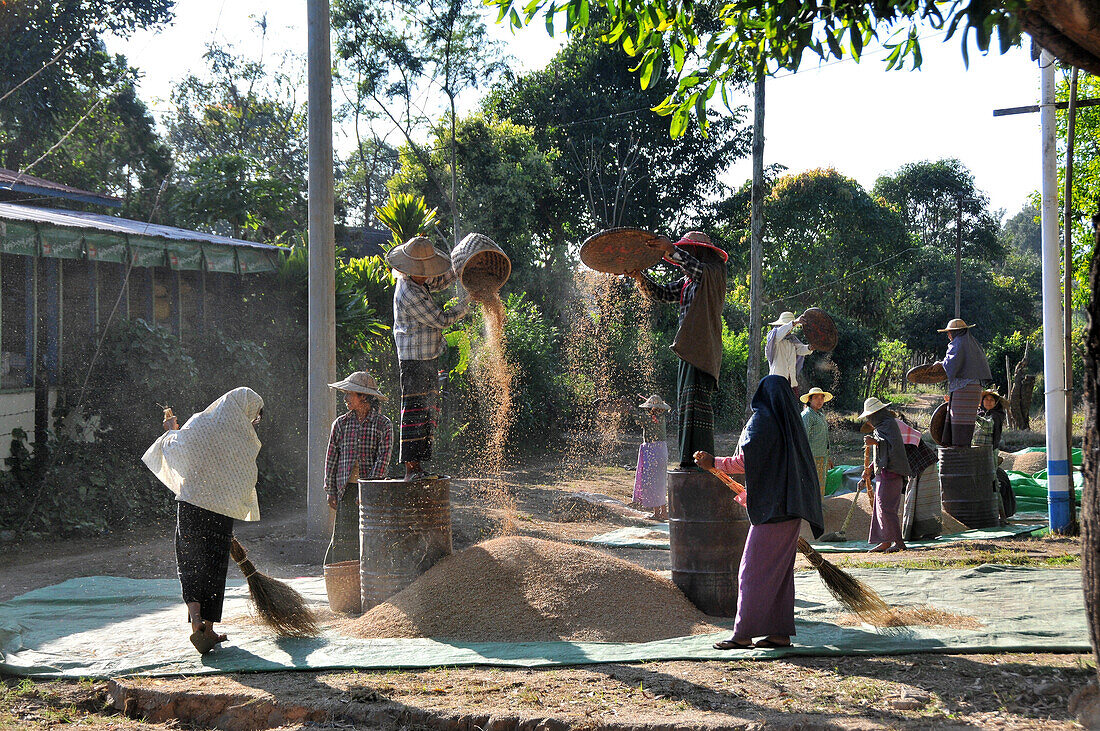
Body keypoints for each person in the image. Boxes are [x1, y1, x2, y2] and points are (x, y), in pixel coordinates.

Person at [695, 375, 824, 650]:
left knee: (750, 571)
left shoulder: (763, 419)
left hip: (772, 512)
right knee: (779, 573)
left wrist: (711, 462)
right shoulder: (791, 424)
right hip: (791, 509)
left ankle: (743, 634)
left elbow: (745, 461)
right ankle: (778, 633)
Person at [142, 387, 265, 655]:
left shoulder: (199, 421)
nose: (254, 422)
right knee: (213, 565)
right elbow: (244, 476)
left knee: (189, 560)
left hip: (189, 505)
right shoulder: (244, 438)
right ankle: (208, 629)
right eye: (255, 416)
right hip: (219, 511)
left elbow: (176, 448)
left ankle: (196, 622)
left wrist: (170, 430)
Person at [628, 231, 728, 470]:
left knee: (698, 403)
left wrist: (671, 249)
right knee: (686, 406)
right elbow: (661, 293)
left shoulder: (714, 273)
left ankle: (704, 462)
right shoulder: (686, 283)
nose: (680, 265)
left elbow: (696, 268)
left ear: (699, 253)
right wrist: (640, 277)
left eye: (689, 253)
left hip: (703, 349)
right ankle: (688, 460)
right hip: (687, 349)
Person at [387, 236, 470, 480]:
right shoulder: (408, 292)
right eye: (423, 271)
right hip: (413, 361)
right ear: (409, 269)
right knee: (414, 413)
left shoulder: (418, 280)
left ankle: (419, 467)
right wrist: (465, 304)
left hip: (427, 358)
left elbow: (440, 279)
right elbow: (441, 320)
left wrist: (461, 268)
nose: (427, 275)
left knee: (427, 412)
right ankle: (410, 469)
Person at [324, 371, 393, 565]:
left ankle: (368, 583)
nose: (345, 398)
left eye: (349, 394)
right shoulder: (340, 424)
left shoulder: (383, 425)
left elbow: (382, 461)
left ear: (363, 397)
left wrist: (367, 490)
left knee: (370, 541)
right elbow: (331, 460)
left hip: (372, 491)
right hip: (345, 491)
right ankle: (343, 585)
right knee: (343, 542)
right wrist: (330, 490)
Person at [859, 397, 912, 553]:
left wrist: (874, 442)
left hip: (892, 471)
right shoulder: (881, 426)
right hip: (883, 472)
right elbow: (882, 453)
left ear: (877, 413)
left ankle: (899, 542)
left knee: (886, 507)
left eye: (870, 416)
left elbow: (892, 447)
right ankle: (885, 541)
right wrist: (869, 469)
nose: (869, 419)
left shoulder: (889, 425)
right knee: (879, 507)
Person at [936, 318, 992, 446]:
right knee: (968, 419)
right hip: (975, 388)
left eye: (949, 332)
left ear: (955, 332)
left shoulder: (957, 343)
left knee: (958, 419)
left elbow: (951, 363)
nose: (948, 335)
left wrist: (939, 364)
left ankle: (958, 449)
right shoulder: (973, 343)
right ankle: (964, 446)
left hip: (963, 388)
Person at [633, 394, 671, 520]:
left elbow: (637, 418)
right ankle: (662, 512)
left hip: (653, 450)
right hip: (661, 450)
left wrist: (629, 406)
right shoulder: (660, 418)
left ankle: (658, 513)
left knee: (652, 482)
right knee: (659, 482)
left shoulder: (651, 419)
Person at [766, 311, 814, 397]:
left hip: (791, 382)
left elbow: (801, 349)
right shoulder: (773, 337)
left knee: (791, 408)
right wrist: (794, 322)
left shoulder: (792, 340)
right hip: (777, 380)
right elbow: (779, 334)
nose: (791, 329)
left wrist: (810, 347)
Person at [799, 386, 832, 498]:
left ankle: (818, 509)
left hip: (822, 456)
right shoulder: (807, 415)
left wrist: (828, 457)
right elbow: (803, 438)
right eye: (816, 398)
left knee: (820, 485)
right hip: (811, 457)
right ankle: (811, 512)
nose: (819, 401)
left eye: (821, 398)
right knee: (811, 485)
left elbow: (824, 438)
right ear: (810, 400)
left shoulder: (820, 415)